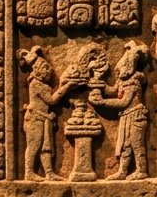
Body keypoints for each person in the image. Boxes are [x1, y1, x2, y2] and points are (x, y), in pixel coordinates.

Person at [89, 42, 149, 180]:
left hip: (136, 116)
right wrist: (101, 84)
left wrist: (103, 102)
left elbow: (123, 102)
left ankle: (141, 170)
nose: (118, 72)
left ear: (128, 67)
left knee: (136, 144)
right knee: (124, 145)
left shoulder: (134, 82)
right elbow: (112, 91)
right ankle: (122, 171)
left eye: (120, 69)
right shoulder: (122, 81)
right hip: (126, 116)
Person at [18, 47, 78, 180]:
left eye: (48, 68)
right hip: (35, 118)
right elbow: (51, 100)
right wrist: (66, 87)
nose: (49, 71)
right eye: (45, 69)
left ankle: (49, 173)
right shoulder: (36, 84)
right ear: (37, 71)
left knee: (46, 147)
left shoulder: (44, 86)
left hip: (43, 118)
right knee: (35, 146)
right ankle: (29, 172)